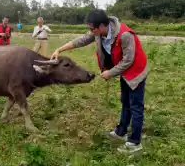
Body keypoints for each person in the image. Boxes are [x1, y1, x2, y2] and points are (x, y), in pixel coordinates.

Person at [51, 9, 148, 154]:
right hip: (124, 72)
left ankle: (135, 142)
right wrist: (60, 49)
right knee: (125, 102)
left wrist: (110, 72)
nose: (90, 31)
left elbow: (129, 60)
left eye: (92, 29)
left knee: (136, 106)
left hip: (136, 71)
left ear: (102, 25)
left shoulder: (125, 35)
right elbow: (82, 40)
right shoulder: (98, 33)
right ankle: (121, 132)